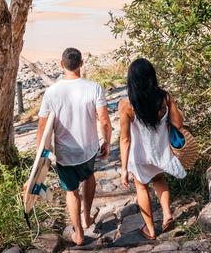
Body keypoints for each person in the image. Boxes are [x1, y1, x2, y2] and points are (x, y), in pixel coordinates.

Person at [36, 48, 112, 246]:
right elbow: (104, 120)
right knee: (88, 177)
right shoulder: (94, 87)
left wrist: (40, 157)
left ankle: (78, 233)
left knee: (71, 191)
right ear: (81, 63)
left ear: (61, 64)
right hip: (88, 149)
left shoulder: (51, 92)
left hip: (64, 153)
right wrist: (106, 141)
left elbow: (43, 128)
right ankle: (86, 217)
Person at [119, 58, 186, 240]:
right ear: (151, 77)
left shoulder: (126, 104)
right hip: (160, 152)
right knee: (159, 179)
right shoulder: (164, 97)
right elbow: (178, 124)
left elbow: (125, 139)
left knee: (141, 187)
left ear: (131, 79)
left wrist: (124, 169)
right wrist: (172, 104)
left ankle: (150, 229)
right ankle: (167, 214)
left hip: (139, 156)